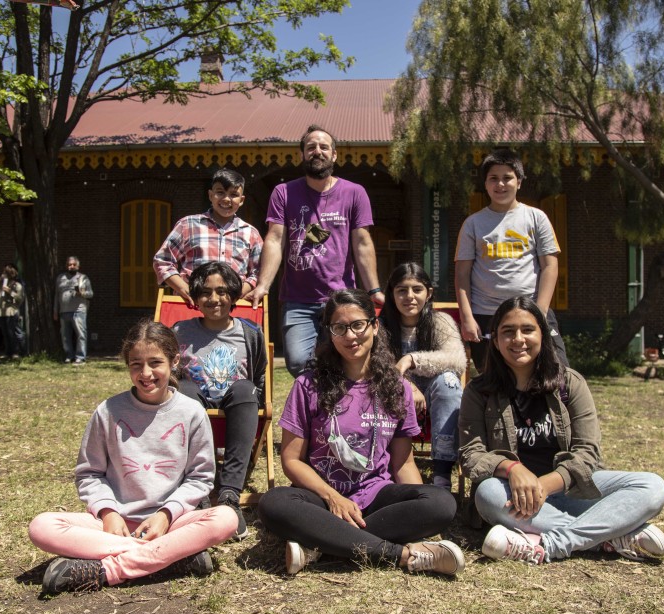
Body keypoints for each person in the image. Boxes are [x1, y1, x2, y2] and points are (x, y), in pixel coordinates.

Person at [258, 289, 465, 577]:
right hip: (322, 499)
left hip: (377, 497)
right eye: (339, 328)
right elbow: (292, 460)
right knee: (274, 503)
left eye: (358, 325)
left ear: (374, 326)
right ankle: (402, 555)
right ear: (329, 333)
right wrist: (333, 498)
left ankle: (321, 544)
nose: (350, 335)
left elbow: (403, 464)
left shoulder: (397, 386)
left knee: (441, 503)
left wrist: (418, 504)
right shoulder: (309, 385)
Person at [27, 319, 238, 594]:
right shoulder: (108, 411)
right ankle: (168, 557)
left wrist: (165, 514)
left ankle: (110, 570)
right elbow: (89, 473)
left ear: (174, 361)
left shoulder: (191, 412)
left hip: (171, 522)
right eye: (136, 364)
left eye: (155, 363)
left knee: (226, 518)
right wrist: (108, 512)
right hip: (113, 525)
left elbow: (200, 478)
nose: (146, 373)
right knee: (42, 526)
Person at [458, 296, 664, 565]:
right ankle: (611, 534)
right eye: (507, 331)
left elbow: (587, 453)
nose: (518, 339)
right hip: (514, 495)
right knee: (487, 494)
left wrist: (545, 485)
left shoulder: (569, 383)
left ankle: (551, 544)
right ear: (496, 341)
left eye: (527, 330)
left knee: (652, 486)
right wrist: (512, 469)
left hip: (572, 490)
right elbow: (471, 455)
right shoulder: (479, 391)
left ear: (543, 335)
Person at [250, 125, 385, 377]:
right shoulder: (283, 193)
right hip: (297, 298)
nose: (317, 151)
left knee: (345, 360)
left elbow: (362, 243)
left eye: (324, 147)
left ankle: (335, 411)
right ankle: (317, 409)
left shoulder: (354, 193)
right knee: (299, 362)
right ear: (302, 154)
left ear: (334, 155)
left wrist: (374, 289)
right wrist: (263, 285)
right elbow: (275, 239)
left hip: (341, 298)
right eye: (311, 147)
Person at [172, 262, 267, 541]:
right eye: (206, 292)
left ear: (235, 295)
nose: (214, 299)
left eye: (222, 291)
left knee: (246, 389)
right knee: (184, 392)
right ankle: (199, 490)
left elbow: (259, 374)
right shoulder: (180, 331)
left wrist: (253, 394)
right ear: (195, 297)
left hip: (235, 405)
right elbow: (171, 373)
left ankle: (229, 495)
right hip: (195, 405)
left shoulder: (250, 332)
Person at [454, 149, 568, 370]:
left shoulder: (536, 218)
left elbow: (550, 266)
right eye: (493, 179)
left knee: (556, 372)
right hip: (486, 314)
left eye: (507, 178)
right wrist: (467, 317)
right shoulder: (473, 224)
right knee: (493, 379)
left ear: (519, 182)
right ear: (485, 184)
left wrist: (541, 311)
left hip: (531, 309)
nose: (500, 185)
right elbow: (462, 274)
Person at [380, 263, 467, 490]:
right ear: (392, 293)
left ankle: (442, 475)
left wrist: (411, 359)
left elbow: (457, 359)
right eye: (401, 290)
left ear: (428, 293)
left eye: (417, 289)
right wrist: (407, 385)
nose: (409, 296)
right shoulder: (380, 326)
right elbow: (377, 367)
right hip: (393, 392)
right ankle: (386, 469)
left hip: (435, 394)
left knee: (449, 381)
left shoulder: (441, 322)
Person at [153, 169, 263, 306]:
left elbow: (259, 271)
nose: (226, 199)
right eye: (220, 192)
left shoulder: (251, 233)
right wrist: (184, 289)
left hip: (233, 309)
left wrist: (238, 293)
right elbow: (162, 261)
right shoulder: (188, 225)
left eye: (233, 194)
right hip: (191, 306)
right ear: (211, 195)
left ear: (241, 200)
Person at [54, 256, 94, 364]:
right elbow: (57, 296)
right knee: (65, 336)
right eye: (69, 264)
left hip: (79, 311)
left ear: (78, 266)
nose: (71, 266)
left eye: (73, 264)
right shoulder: (60, 278)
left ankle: (80, 357)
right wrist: (55, 311)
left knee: (81, 335)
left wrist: (82, 293)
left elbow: (91, 294)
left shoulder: (83, 278)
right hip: (63, 311)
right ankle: (69, 356)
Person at [0, 263, 25, 359]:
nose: (3, 274)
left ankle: (17, 352)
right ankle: (8, 352)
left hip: (11, 311)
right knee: (5, 333)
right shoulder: (2, 284)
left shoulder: (16, 285)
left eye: (5, 273)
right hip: (1, 312)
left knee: (12, 333)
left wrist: (10, 291)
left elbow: (20, 298)